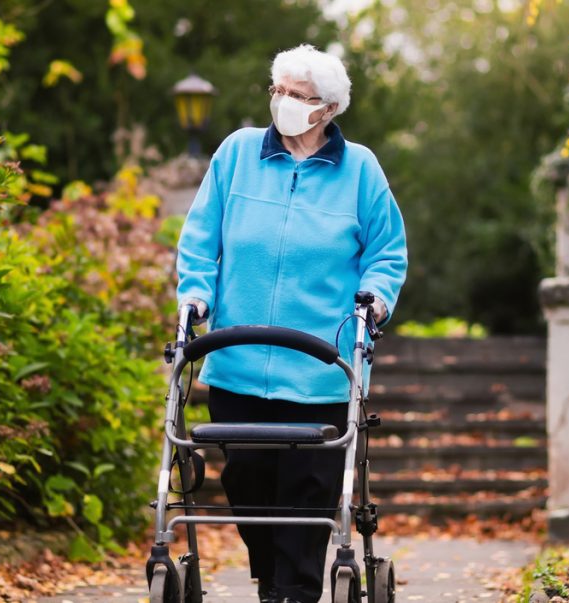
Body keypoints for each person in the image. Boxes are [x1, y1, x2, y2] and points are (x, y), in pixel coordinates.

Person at [175, 43, 407, 603]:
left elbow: (387, 251)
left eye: (296, 95)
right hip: (239, 362)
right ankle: (274, 583)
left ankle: (294, 592)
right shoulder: (235, 155)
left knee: (308, 494)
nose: (281, 102)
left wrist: (373, 299)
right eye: (276, 90)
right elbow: (200, 243)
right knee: (247, 484)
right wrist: (196, 296)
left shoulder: (360, 171)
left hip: (321, 371)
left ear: (327, 108)